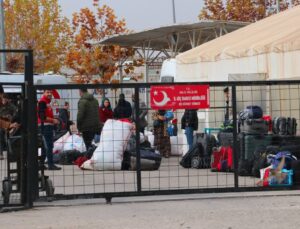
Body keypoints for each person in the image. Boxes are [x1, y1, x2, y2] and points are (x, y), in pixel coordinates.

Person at [37, 90, 61, 170]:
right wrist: (53, 120)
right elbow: (42, 116)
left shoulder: (48, 102)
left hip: (47, 125)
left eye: (50, 92)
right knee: (49, 145)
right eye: (47, 92)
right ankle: (50, 164)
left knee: (45, 146)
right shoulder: (42, 102)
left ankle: (41, 164)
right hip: (45, 126)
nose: (49, 94)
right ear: (43, 93)